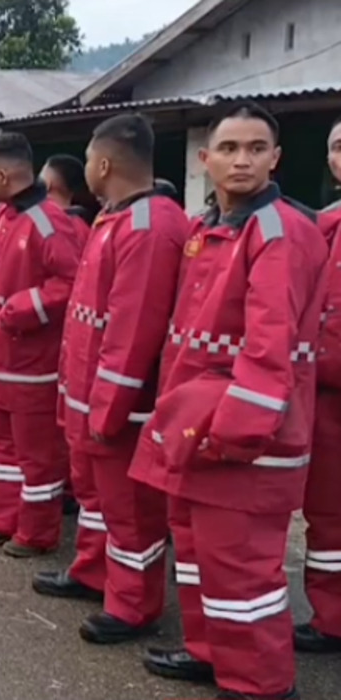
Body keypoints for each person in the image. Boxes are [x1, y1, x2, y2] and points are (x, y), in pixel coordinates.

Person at [130, 102, 327, 700]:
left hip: (243, 441)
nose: (243, 159)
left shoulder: (278, 234)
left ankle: (259, 683)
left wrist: (234, 437)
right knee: (196, 554)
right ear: (205, 158)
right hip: (200, 430)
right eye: (231, 148)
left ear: (276, 158)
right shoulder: (210, 228)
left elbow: (269, 351)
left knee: (242, 569)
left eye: (257, 148)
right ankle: (210, 651)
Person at [33, 114, 188, 646]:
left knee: (131, 514)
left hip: (119, 408)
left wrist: (108, 407)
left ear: (103, 163)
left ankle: (132, 605)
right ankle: (94, 572)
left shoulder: (148, 226)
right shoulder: (115, 219)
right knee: (98, 501)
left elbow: (133, 329)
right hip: (87, 399)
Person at [0, 132, 81, 557]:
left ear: (2, 173)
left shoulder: (48, 222)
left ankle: (36, 534)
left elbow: (71, 283)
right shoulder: (7, 217)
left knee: (37, 456)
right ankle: (4, 520)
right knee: (1, 445)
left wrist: (19, 308)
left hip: (34, 364)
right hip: (0, 358)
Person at [297, 115, 341, 655]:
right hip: (326, 394)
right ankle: (331, 617)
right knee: (328, 514)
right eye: (337, 146)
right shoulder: (322, 224)